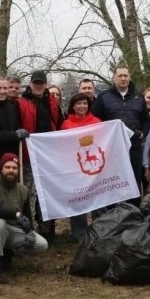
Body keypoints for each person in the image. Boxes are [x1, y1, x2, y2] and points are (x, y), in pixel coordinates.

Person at [0, 153, 48, 284]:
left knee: (41, 244)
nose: (11, 170)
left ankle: (8, 253)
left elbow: (27, 215)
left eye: (14, 168)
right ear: (1, 169)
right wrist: (14, 214)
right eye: (7, 167)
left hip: (11, 230)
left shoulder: (23, 190)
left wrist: (31, 232)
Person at [91, 66, 150, 199]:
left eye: (125, 75)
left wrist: (142, 134)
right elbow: (95, 120)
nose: (123, 78)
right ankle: (112, 214)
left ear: (129, 77)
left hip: (133, 147)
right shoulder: (103, 97)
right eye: (120, 76)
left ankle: (133, 213)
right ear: (114, 77)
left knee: (134, 180)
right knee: (112, 181)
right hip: (111, 149)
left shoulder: (139, 97)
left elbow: (146, 121)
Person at [17, 70, 62, 238]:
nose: (38, 86)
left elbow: (58, 123)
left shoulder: (52, 102)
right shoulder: (22, 103)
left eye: (41, 83)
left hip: (48, 154)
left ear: (45, 84)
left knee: (48, 191)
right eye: (35, 83)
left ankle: (47, 226)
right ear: (30, 84)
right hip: (29, 154)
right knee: (27, 192)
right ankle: (26, 227)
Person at [61, 92, 101, 240]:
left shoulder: (97, 121)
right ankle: (79, 232)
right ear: (73, 106)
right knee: (78, 197)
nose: (82, 106)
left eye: (85, 103)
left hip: (95, 168)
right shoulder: (66, 124)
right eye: (79, 103)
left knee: (98, 196)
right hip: (75, 167)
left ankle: (100, 229)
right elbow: (64, 146)